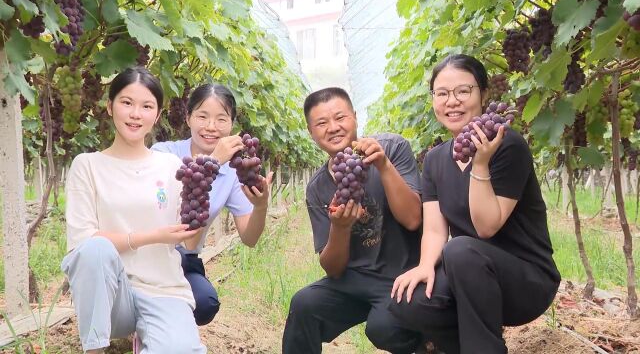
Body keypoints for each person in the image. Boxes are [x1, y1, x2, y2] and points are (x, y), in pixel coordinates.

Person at [389, 54, 561, 354]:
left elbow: (486, 226)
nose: (451, 101)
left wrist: (480, 165)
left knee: (460, 249)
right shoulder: (435, 159)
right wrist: (425, 266)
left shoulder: (508, 146)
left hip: (526, 280)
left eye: (463, 91)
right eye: (442, 94)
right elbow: (433, 231)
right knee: (410, 302)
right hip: (469, 275)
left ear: (483, 94)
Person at [61, 67, 207, 353]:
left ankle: (150, 336)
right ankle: (95, 348)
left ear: (158, 114)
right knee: (95, 249)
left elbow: (189, 241)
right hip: (110, 298)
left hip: (163, 289)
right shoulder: (87, 165)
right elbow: (83, 242)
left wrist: (200, 207)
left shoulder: (173, 167)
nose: (135, 114)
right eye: (127, 103)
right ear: (109, 106)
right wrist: (151, 236)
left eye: (146, 106)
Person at [282, 87, 424, 354]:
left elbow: (413, 219)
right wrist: (340, 227)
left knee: (383, 328)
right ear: (311, 132)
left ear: (355, 118)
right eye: (321, 123)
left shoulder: (392, 148)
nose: (333, 128)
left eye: (340, 117)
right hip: (355, 282)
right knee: (304, 304)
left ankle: (433, 343)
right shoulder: (317, 187)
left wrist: (383, 166)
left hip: (403, 275)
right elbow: (333, 269)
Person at [151, 83, 272, 326]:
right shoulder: (163, 154)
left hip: (185, 257)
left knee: (204, 304)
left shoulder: (233, 172)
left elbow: (249, 238)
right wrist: (213, 161)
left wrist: (260, 207)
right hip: (149, 250)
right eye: (202, 116)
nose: (211, 127)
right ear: (187, 118)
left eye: (221, 119)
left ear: (232, 125)